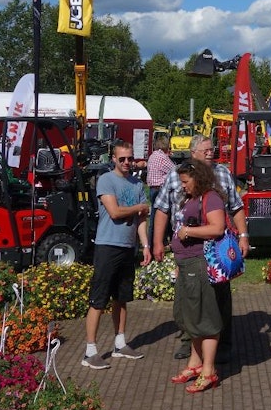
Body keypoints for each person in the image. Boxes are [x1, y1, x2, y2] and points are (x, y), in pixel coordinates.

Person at [153, 135, 250, 363]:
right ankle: (190, 342)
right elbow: (161, 209)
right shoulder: (176, 176)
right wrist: (158, 242)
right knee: (187, 298)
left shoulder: (222, 174)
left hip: (216, 250)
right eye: (206, 149)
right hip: (187, 252)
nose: (211, 152)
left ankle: (223, 345)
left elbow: (236, 207)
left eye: (212, 148)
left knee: (220, 297)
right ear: (193, 152)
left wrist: (243, 235)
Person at [81, 140, 150, 369]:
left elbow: (141, 219)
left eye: (130, 158)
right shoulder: (106, 180)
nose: (127, 163)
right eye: (122, 159)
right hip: (107, 246)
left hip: (127, 248)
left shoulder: (137, 184)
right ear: (114, 159)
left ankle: (120, 343)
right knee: (99, 299)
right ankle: (90, 350)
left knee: (122, 297)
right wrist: (139, 208)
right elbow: (115, 212)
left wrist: (145, 245)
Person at [167, 158, 225, 394]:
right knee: (190, 316)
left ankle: (209, 371)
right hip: (186, 264)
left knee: (205, 317)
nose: (182, 186)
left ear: (198, 178)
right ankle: (195, 363)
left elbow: (217, 227)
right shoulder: (191, 198)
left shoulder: (210, 197)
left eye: (185, 181)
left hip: (200, 264)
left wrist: (188, 231)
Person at [145, 134, 174, 204]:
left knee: (153, 211)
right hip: (160, 188)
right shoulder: (162, 157)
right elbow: (174, 170)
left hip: (152, 188)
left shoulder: (152, 155)